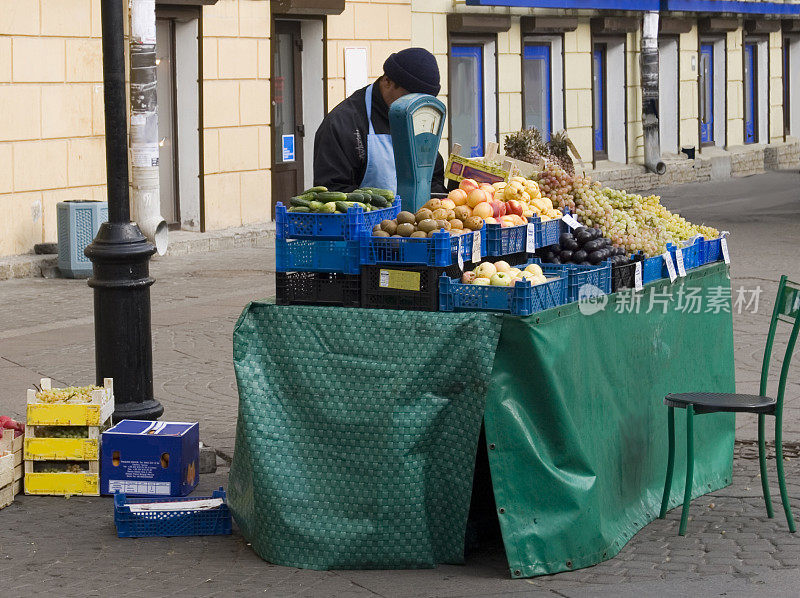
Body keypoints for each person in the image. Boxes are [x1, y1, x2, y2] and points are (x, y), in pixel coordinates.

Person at [313, 47, 447, 194]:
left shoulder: (420, 117)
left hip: (418, 216)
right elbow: (334, 191)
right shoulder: (342, 123)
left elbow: (433, 178)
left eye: (422, 102)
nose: (414, 108)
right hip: (366, 216)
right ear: (387, 81)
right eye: (408, 97)